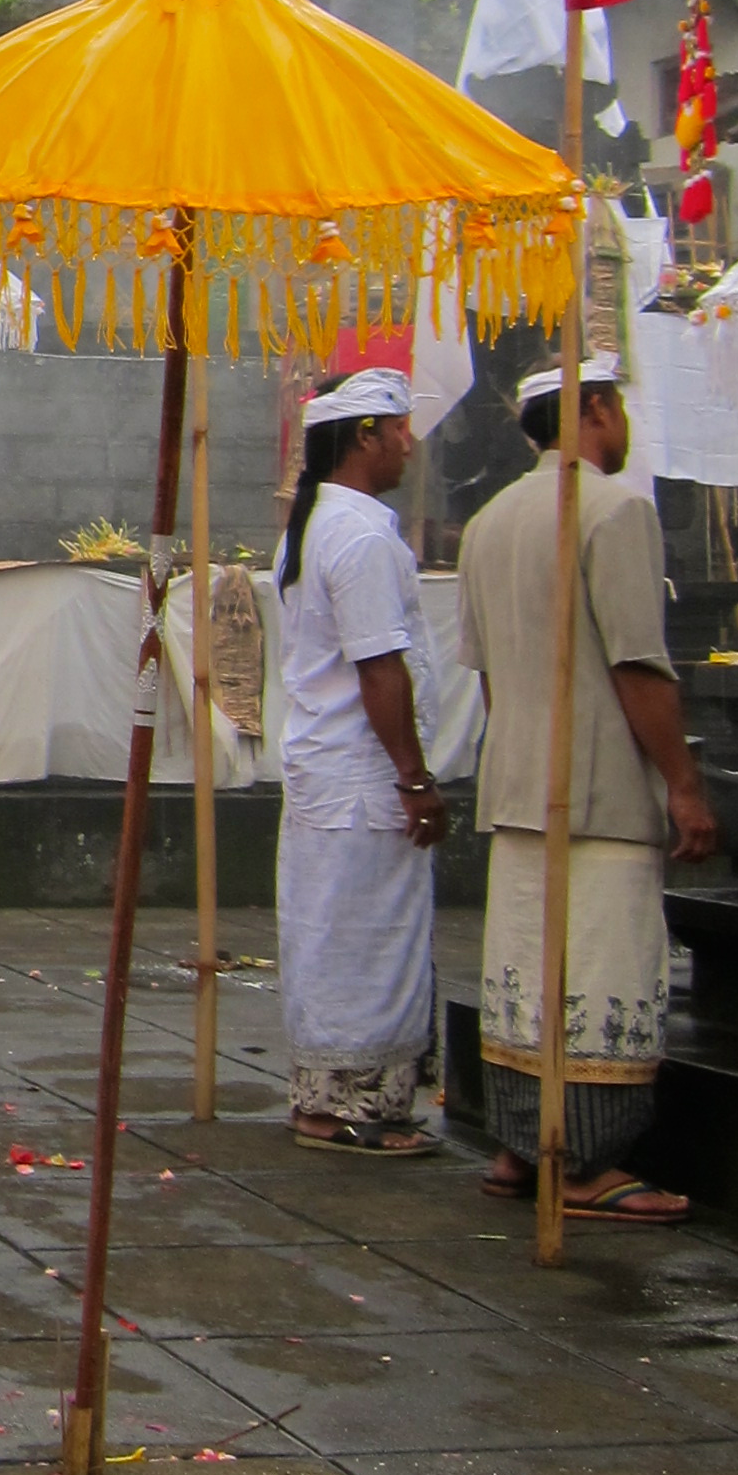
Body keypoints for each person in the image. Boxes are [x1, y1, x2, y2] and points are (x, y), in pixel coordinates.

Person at [456, 350, 718, 1220]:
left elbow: (489, 679)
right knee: (598, 977)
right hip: (597, 792)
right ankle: (582, 1163)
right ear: (598, 409)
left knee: (526, 978)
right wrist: (684, 785)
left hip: (518, 783)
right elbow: (638, 664)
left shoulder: (488, 520)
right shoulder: (613, 509)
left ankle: (519, 1144)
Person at [273, 367, 448, 1154]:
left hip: (333, 770)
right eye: (399, 429)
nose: (410, 444)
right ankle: (349, 1106)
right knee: (364, 938)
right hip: (362, 775)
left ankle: (329, 1099)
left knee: (333, 930)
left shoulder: (321, 524)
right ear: (364, 437)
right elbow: (379, 668)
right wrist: (414, 775)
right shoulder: (360, 535)